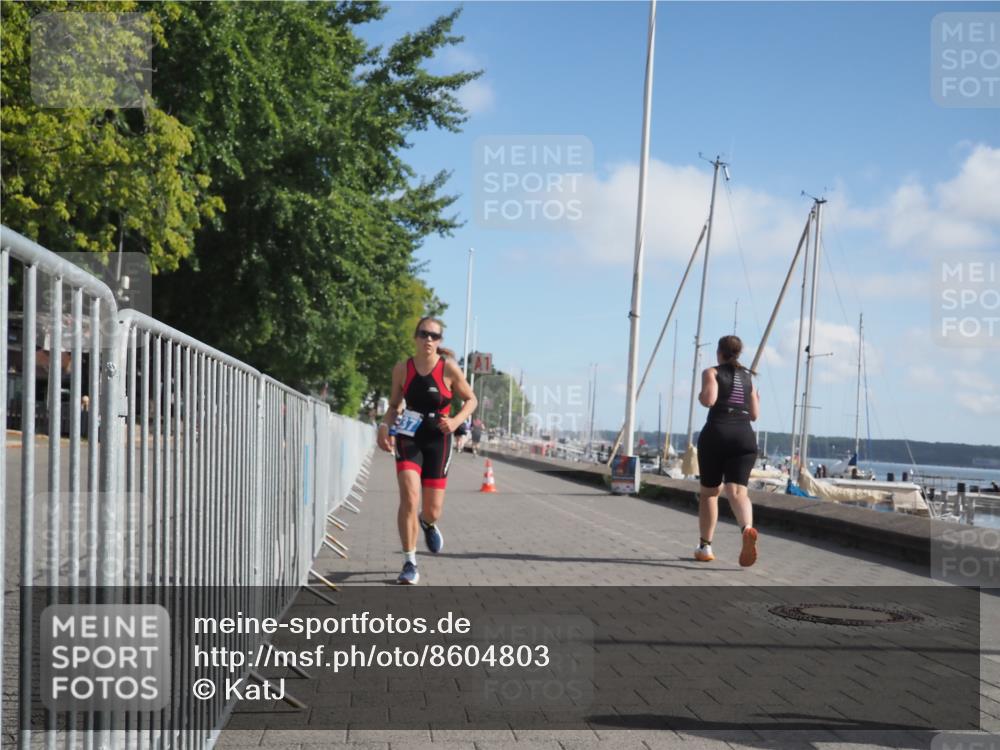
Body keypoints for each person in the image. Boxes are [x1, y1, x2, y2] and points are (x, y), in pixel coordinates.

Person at [376, 317, 477, 585]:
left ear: (440, 341)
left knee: (432, 509)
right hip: (409, 435)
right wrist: (384, 426)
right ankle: (410, 561)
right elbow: (394, 405)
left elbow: (471, 399)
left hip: (438, 438)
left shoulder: (449, 369)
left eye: (434, 336)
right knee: (409, 497)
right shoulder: (402, 369)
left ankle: (428, 523)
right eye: (424, 334)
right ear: (416, 337)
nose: (428, 339)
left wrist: (455, 422)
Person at [694, 335, 761, 567]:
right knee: (738, 493)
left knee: (710, 493)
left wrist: (701, 395)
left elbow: (710, 400)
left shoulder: (711, 372)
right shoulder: (748, 377)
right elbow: (754, 414)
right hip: (744, 437)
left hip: (717, 434)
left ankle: (705, 547)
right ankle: (747, 528)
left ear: (719, 353)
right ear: (738, 354)